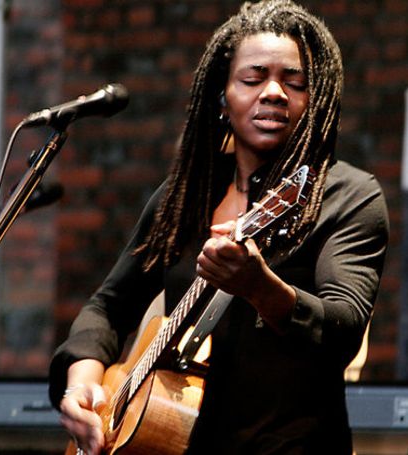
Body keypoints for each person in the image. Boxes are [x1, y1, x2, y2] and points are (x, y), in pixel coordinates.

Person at [49, 1, 389, 454]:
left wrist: (260, 287)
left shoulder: (348, 196)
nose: (273, 92)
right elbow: (108, 308)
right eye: (252, 78)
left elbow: (344, 328)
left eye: (295, 82)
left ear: (316, 101)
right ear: (222, 96)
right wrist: (83, 384)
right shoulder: (184, 197)